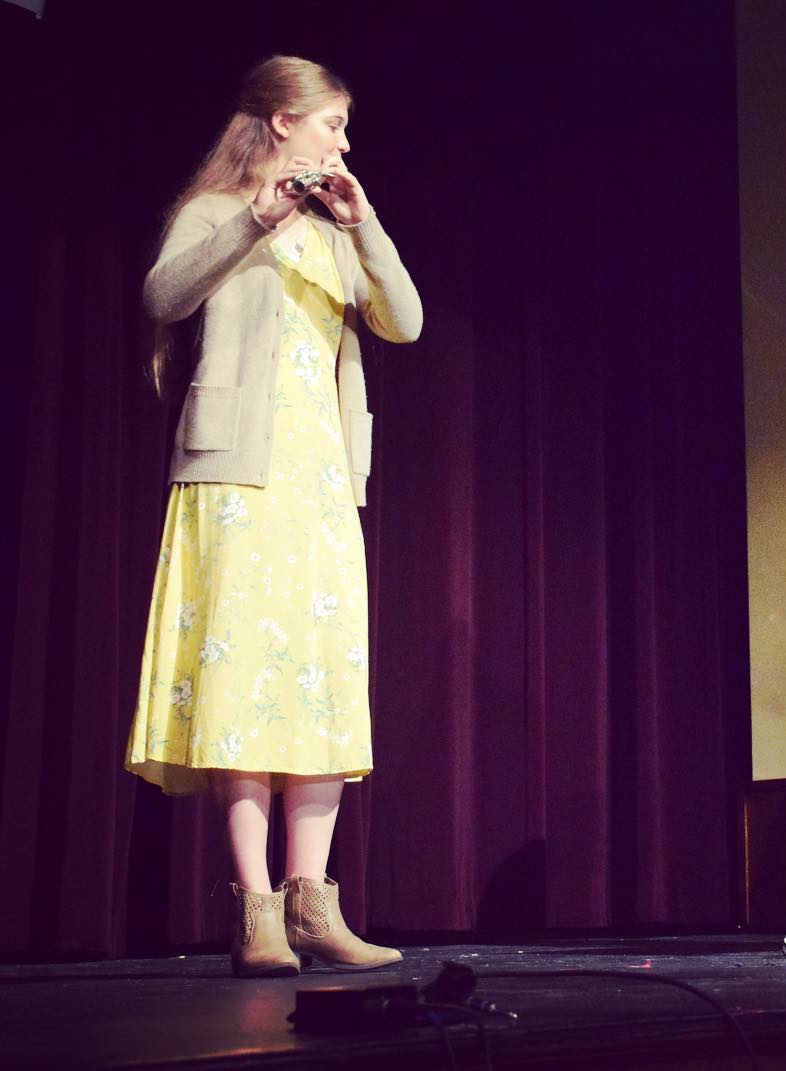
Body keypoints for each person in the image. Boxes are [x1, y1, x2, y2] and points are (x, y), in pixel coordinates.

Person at [125, 56, 422, 977]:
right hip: (236, 476)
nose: (344, 140)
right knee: (246, 682)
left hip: (322, 484)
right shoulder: (215, 212)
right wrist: (253, 222)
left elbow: (404, 320)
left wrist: (361, 221)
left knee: (322, 684)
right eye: (333, 123)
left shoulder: (336, 232)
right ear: (284, 120)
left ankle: (315, 903)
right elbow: (162, 298)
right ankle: (255, 910)